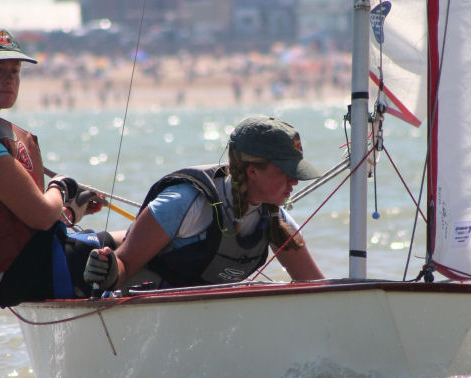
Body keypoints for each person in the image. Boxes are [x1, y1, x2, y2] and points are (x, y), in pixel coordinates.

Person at [0, 27, 126, 307]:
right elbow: (43, 217)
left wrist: (69, 211)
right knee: (150, 239)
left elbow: (15, 221)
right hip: (33, 273)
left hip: (23, 270)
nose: (10, 80)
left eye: (15, 71)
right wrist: (61, 187)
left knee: (134, 235)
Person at [83, 115, 325, 292]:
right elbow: (124, 264)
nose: (294, 180)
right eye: (286, 171)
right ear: (253, 171)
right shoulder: (185, 203)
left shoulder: (274, 219)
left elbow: (316, 286)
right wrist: (106, 269)